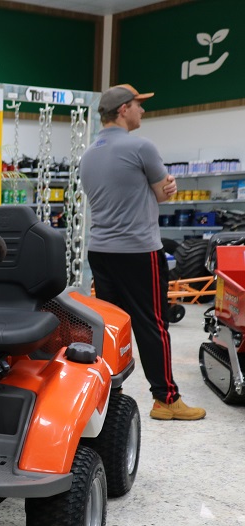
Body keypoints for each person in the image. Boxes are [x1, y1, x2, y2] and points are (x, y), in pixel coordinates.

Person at [81, 84, 205, 421]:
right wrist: (167, 188)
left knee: (111, 326)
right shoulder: (141, 147)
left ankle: (106, 397)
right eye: (138, 105)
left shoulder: (88, 154)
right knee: (154, 324)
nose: (143, 111)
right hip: (138, 250)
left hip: (101, 251)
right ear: (123, 109)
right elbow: (163, 194)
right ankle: (166, 398)